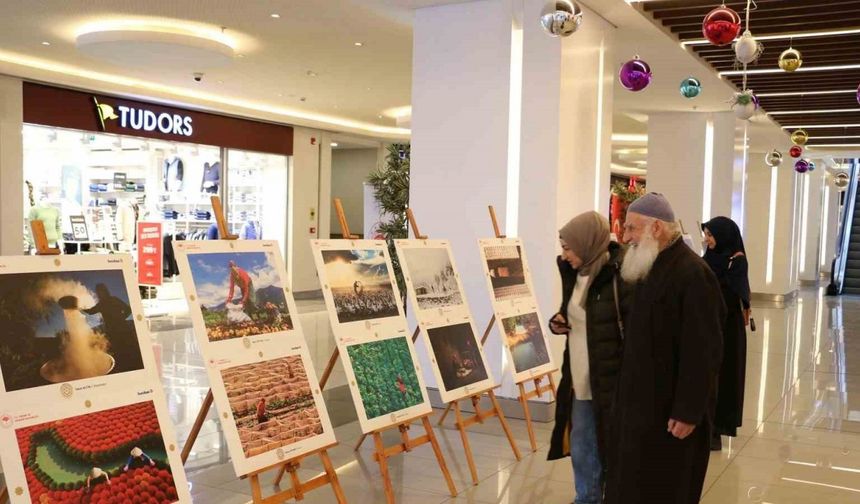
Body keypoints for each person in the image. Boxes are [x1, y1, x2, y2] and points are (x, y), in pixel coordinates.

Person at [605, 193, 725, 504]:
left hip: (670, 412)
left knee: (665, 486)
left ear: (656, 228)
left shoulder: (693, 274)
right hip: (639, 406)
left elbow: (703, 352)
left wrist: (688, 411)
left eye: (632, 228)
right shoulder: (651, 264)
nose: (625, 237)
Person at [547, 211, 630, 504]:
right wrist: (557, 321)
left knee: (611, 445)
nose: (564, 254)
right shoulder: (574, 275)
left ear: (586, 243)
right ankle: (587, 497)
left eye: (568, 247)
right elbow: (570, 315)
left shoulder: (620, 275)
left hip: (610, 378)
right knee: (582, 444)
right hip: (579, 375)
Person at [702, 216, 751, 451]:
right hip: (709, 325)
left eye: (711, 236)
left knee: (724, 376)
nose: (707, 240)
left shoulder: (737, 262)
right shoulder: (708, 258)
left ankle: (717, 430)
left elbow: (733, 295)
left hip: (728, 330)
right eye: (706, 235)